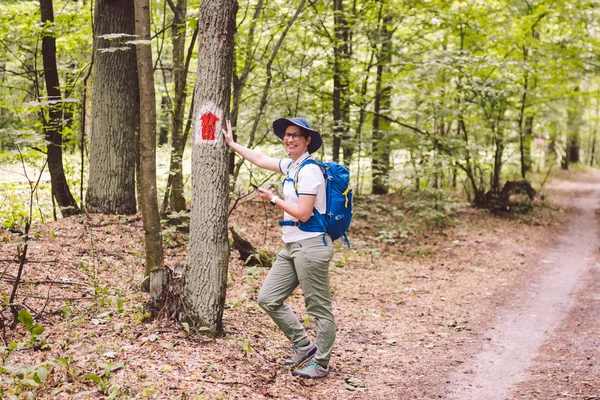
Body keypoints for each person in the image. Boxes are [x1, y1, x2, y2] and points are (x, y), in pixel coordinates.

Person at [222, 117, 335, 379]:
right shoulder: (292, 167)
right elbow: (261, 159)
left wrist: (273, 199)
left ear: (307, 141)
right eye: (287, 135)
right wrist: (232, 144)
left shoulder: (309, 171)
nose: (290, 139)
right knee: (268, 298)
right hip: (293, 246)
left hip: (311, 246)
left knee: (319, 308)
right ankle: (305, 345)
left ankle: (321, 363)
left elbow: (304, 214)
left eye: (296, 135)